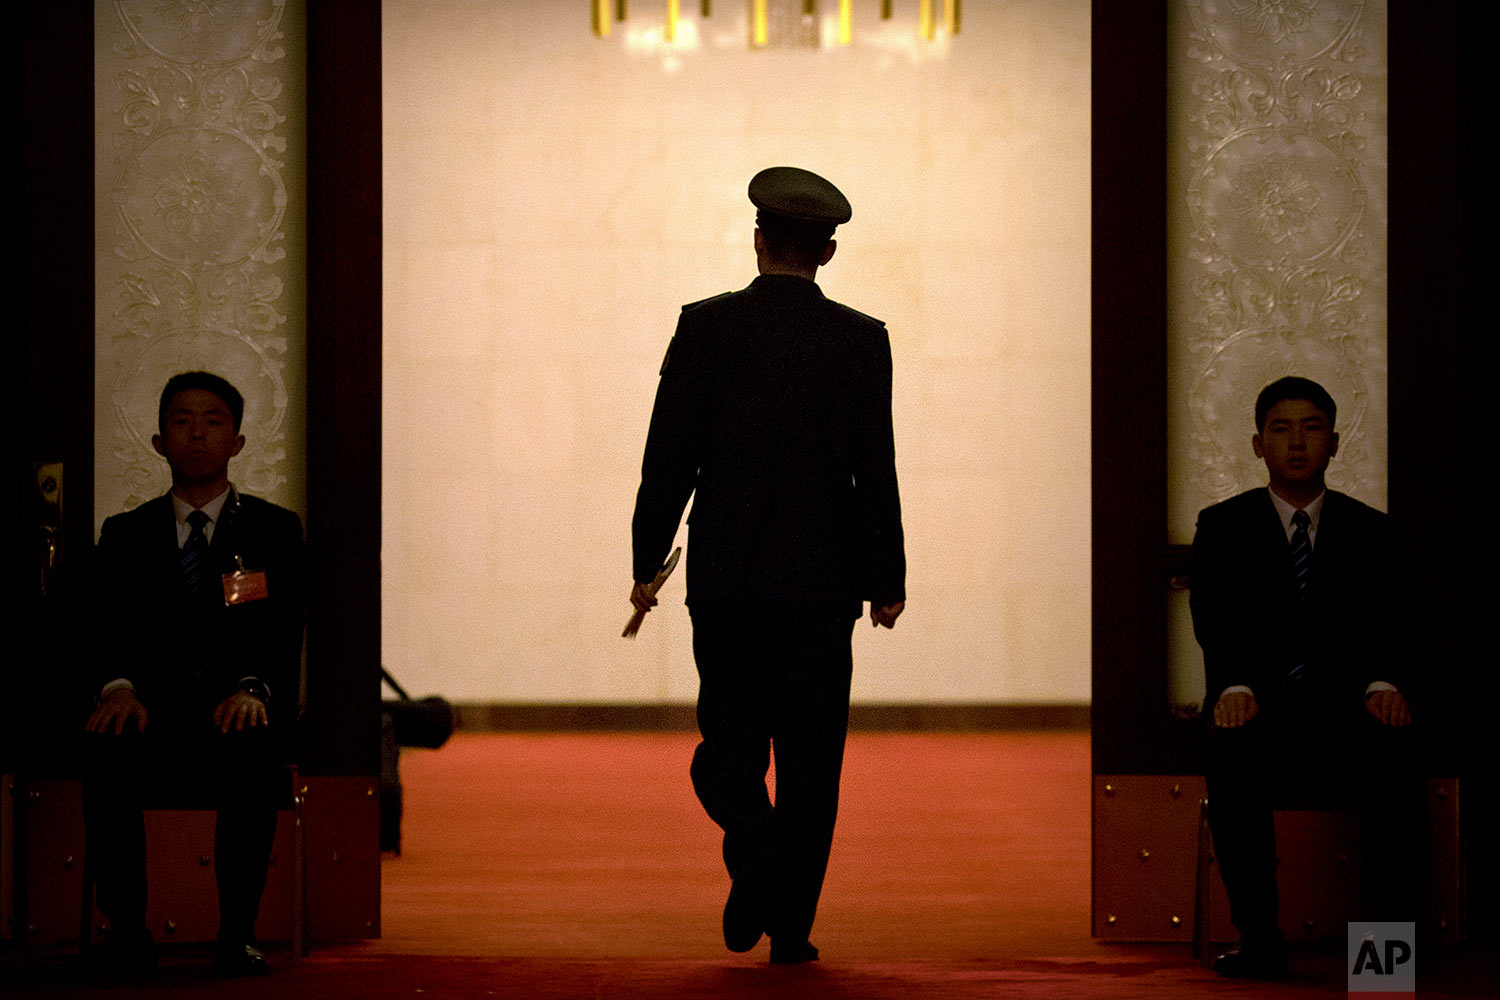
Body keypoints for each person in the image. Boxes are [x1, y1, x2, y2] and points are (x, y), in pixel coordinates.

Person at [629, 167, 906, 963]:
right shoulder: (861, 338)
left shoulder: (705, 327)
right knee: (814, 758)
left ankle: (753, 845)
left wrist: (650, 561)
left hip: (729, 580)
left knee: (729, 744)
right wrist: (885, 577)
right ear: (827, 252)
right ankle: (792, 927)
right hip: (823, 586)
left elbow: (668, 459)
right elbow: (873, 467)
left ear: (758, 243)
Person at [1191, 376, 1421, 979]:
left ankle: (1385, 959)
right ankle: (1261, 941)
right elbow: (1213, 619)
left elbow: (1394, 621)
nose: (1296, 443)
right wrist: (1233, 686)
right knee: (1230, 746)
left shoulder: (1373, 530)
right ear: (1257, 444)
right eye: (1281, 429)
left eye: (1312, 427)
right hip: (1262, 706)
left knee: (1396, 749)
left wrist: (1384, 684)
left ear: (1336, 443)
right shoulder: (1222, 526)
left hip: (1348, 707)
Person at [83, 371, 305, 978]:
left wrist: (254, 685)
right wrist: (119, 687)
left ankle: (238, 935)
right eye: (182, 421)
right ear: (159, 442)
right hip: (150, 710)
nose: (197, 435)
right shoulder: (125, 534)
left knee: (253, 747)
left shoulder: (273, 530)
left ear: (236, 442)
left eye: (213, 422)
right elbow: (103, 628)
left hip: (233, 707)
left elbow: (284, 628)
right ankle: (127, 933)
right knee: (105, 750)